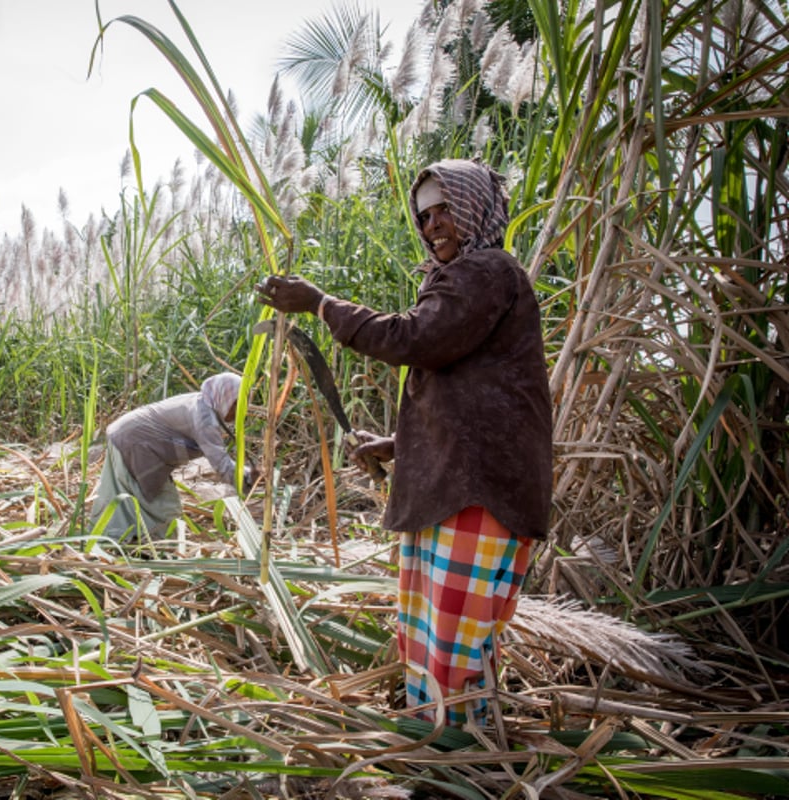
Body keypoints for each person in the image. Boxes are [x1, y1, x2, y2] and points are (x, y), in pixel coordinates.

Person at [255, 158, 552, 726]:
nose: (433, 224)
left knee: (453, 634)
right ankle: (434, 736)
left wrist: (320, 303)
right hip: (460, 484)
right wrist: (398, 443)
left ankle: (457, 749)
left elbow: (415, 338)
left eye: (445, 210)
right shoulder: (471, 279)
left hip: (479, 492)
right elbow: (475, 395)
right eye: (424, 215)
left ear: (475, 210)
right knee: (429, 623)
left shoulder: (487, 270)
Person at [89, 372, 257, 546]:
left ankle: (122, 541)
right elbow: (222, 466)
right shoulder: (205, 419)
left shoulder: (202, 403)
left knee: (131, 495)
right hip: (135, 442)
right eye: (237, 403)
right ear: (225, 397)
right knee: (163, 508)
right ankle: (152, 546)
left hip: (126, 435)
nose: (241, 410)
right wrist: (250, 478)